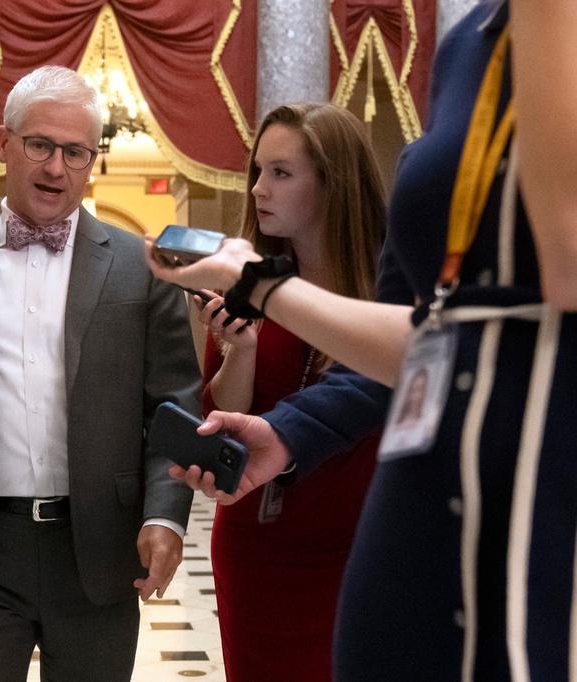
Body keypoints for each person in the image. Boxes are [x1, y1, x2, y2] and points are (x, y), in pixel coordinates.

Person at [147, 1, 577, 678]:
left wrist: (260, 285)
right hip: (428, 473)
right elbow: (426, 332)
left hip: (530, 455)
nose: (262, 189)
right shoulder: (468, 39)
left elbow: (563, 264)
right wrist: (292, 430)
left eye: (282, 173)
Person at [0, 65, 201, 682]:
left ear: (91, 161)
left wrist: (164, 516)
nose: (55, 168)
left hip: (99, 547)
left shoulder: (142, 267)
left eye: (75, 152)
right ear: (3, 144)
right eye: (40, 145)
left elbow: (174, 409)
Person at [192, 103, 384, 681]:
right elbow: (222, 419)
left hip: (366, 545)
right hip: (258, 546)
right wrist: (241, 352)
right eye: (258, 170)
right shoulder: (245, 285)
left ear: (333, 184)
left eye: (280, 173)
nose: (256, 189)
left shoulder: (389, 290)